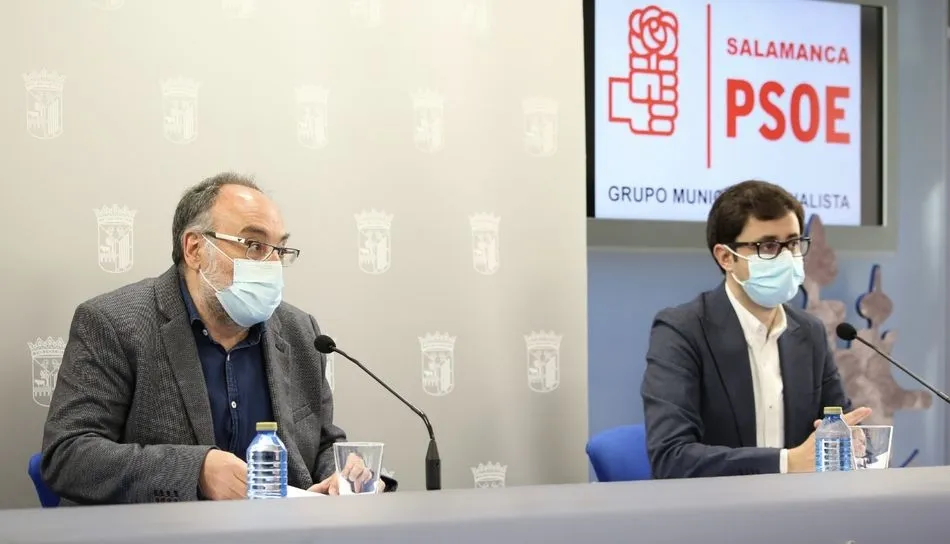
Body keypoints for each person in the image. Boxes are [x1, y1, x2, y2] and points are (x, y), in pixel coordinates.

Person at [41, 173, 394, 504]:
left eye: (280, 250)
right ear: (195, 249)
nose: (272, 264)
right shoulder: (115, 323)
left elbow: (322, 444)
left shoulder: (301, 332)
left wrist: (343, 475)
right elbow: (67, 455)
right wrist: (196, 471)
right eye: (254, 245)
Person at [640, 180, 871, 478]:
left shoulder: (809, 332)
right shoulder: (682, 330)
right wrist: (787, 462)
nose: (786, 257)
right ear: (726, 257)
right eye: (769, 246)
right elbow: (671, 457)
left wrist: (851, 439)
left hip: (802, 503)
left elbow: (837, 425)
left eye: (793, 243)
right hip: (716, 504)